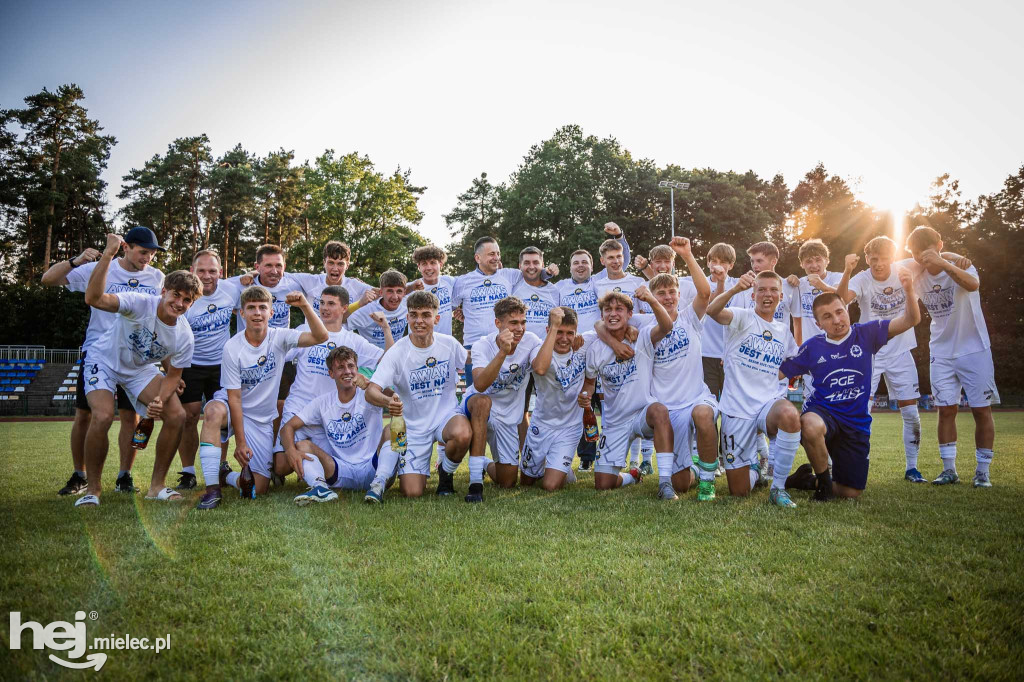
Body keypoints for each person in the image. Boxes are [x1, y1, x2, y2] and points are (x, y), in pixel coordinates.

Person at [75, 233, 201, 507]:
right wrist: (108, 254)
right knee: (103, 415)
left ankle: (156, 486)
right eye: (175, 295)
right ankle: (93, 490)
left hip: (139, 369)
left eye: (187, 300)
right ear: (163, 290)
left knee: (177, 415)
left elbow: (174, 376)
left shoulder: (184, 336)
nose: (179, 303)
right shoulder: (137, 302)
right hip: (105, 359)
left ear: (192, 304)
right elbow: (94, 298)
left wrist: (159, 400)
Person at [41, 226, 164, 496]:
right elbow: (48, 279)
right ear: (126, 247)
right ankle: (80, 475)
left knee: (129, 417)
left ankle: (124, 476)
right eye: (143, 252)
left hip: (134, 358)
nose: (148, 259)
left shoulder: (157, 277)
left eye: (152, 254)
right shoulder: (100, 266)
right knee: (88, 414)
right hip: (98, 352)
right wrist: (77, 260)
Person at [779, 272, 922, 499]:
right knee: (809, 423)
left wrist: (909, 290)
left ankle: (806, 480)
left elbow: (910, 320)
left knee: (850, 493)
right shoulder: (812, 347)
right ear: (818, 324)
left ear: (847, 310)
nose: (836, 320)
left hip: (855, 423)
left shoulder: (867, 333)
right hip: (824, 413)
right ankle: (825, 485)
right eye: (827, 317)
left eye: (839, 312)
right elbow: (780, 372)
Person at [596, 238, 719, 501]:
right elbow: (604, 322)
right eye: (660, 293)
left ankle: (706, 477)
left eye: (671, 292)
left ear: (678, 294)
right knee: (682, 484)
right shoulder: (642, 321)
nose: (667, 297)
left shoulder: (690, 317)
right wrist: (614, 341)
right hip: (662, 406)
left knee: (704, 415)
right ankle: (691, 470)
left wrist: (687, 255)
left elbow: (705, 293)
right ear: (653, 295)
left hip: (692, 400)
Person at [194, 286, 328, 509]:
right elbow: (234, 398)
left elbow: (321, 336)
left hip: (261, 419)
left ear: (271, 313)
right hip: (232, 405)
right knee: (213, 411)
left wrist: (305, 305)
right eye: (251, 308)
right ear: (242, 313)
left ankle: (224, 475)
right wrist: (241, 442)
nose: (257, 312)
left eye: (262, 307)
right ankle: (212, 491)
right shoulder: (232, 347)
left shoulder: (280, 337)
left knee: (260, 487)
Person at [905, 226, 998, 488]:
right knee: (945, 410)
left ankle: (982, 472)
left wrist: (946, 260)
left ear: (940, 245)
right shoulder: (916, 271)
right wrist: (937, 257)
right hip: (942, 351)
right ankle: (949, 470)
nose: (922, 258)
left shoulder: (963, 267)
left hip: (974, 349)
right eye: (916, 253)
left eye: (927, 252)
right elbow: (889, 266)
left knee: (981, 410)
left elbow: (973, 284)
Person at [362, 291, 473, 502]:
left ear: (436, 319)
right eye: (413, 315)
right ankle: (390, 445)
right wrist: (388, 402)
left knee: (462, 434)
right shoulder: (397, 352)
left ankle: (445, 474)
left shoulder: (449, 344)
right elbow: (371, 391)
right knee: (412, 492)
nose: (419, 320)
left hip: (445, 417)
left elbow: (472, 363)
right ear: (407, 318)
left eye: (425, 315)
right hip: (412, 426)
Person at [706, 271, 802, 507]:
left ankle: (778, 487)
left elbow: (792, 363)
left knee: (789, 414)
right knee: (739, 491)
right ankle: (757, 471)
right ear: (753, 295)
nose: (767, 294)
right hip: (737, 409)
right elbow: (712, 311)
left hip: (768, 405)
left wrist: (774, 374)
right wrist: (734, 289)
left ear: (780, 295)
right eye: (761, 290)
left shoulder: (782, 330)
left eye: (772, 290)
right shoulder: (742, 317)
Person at [836, 237, 924, 482]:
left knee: (911, 412)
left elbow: (928, 256)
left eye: (883, 259)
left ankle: (912, 468)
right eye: (873, 259)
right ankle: (857, 464)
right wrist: (847, 270)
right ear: (867, 259)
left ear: (892, 258)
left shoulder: (904, 268)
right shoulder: (862, 277)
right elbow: (842, 298)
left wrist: (953, 258)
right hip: (869, 352)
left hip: (901, 350)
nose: (878, 264)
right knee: (862, 410)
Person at [271, 285, 385, 471]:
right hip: (299, 404)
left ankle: (312, 464)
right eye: (322, 303)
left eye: (331, 303)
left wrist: (386, 329)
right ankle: (276, 455)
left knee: (332, 466)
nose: (324, 308)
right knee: (282, 467)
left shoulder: (353, 340)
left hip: (329, 413)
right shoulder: (305, 330)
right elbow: (279, 354)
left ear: (344, 308)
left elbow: (387, 359)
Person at [578, 287, 675, 496]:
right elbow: (589, 383)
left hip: (642, 413)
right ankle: (633, 475)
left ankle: (665, 483)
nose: (613, 313)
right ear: (602, 315)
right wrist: (584, 398)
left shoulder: (641, 336)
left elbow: (667, 325)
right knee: (603, 484)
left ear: (630, 314)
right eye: (608, 310)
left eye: (619, 309)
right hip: (615, 421)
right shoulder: (595, 348)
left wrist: (650, 298)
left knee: (659, 410)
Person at [280, 346, 392, 504]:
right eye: (340, 367)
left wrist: (369, 385)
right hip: (340, 470)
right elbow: (287, 428)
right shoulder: (323, 403)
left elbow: (396, 399)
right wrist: (291, 451)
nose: (347, 371)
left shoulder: (368, 394)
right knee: (302, 445)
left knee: (391, 430)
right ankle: (320, 487)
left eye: (351, 366)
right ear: (331, 373)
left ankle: (378, 487)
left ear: (357, 369)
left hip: (373, 467)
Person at [461, 297, 543, 495]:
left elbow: (541, 366)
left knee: (507, 482)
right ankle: (474, 482)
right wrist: (502, 353)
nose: (520, 328)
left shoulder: (531, 341)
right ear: (498, 324)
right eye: (513, 323)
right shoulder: (483, 345)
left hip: (507, 417)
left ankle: (485, 464)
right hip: (479, 408)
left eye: (523, 322)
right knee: (483, 402)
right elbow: (480, 385)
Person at [177, 249, 242, 490]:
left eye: (212, 271)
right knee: (190, 416)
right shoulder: (185, 298)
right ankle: (188, 471)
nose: (207, 276)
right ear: (192, 271)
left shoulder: (232, 291)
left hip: (222, 365)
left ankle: (222, 465)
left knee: (222, 417)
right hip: (191, 364)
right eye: (201, 270)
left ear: (221, 272)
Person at [523, 307, 593, 491]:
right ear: (548, 330)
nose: (564, 338)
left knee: (550, 485)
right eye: (559, 332)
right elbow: (539, 368)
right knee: (526, 482)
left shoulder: (584, 344)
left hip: (569, 428)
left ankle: (560, 466)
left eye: (570, 333)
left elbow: (604, 326)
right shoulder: (538, 348)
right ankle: (557, 465)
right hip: (542, 424)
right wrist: (554, 328)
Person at [289, 240, 374, 315]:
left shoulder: (355, 285)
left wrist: (368, 293)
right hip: (313, 332)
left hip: (342, 332)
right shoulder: (311, 281)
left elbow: (383, 293)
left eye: (340, 264)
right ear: (324, 263)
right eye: (331, 263)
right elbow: (282, 276)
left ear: (347, 266)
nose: (335, 268)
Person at [346, 269, 408, 350]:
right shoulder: (366, 311)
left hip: (396, 355)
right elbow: (339, 325)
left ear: (404, 292)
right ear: (381, 292)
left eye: (399, 291)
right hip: (372, 359)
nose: (395, 297)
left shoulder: (408, 304)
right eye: (390, 291)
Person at [411, 244, 456, 336]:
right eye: (424, 264)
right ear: (419, 267)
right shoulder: (412, 288)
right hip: (420, 344)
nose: (429, 268)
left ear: (441, 265)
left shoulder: (449, 281)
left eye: (433, 263)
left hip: (445, 342)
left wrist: (461, 310)